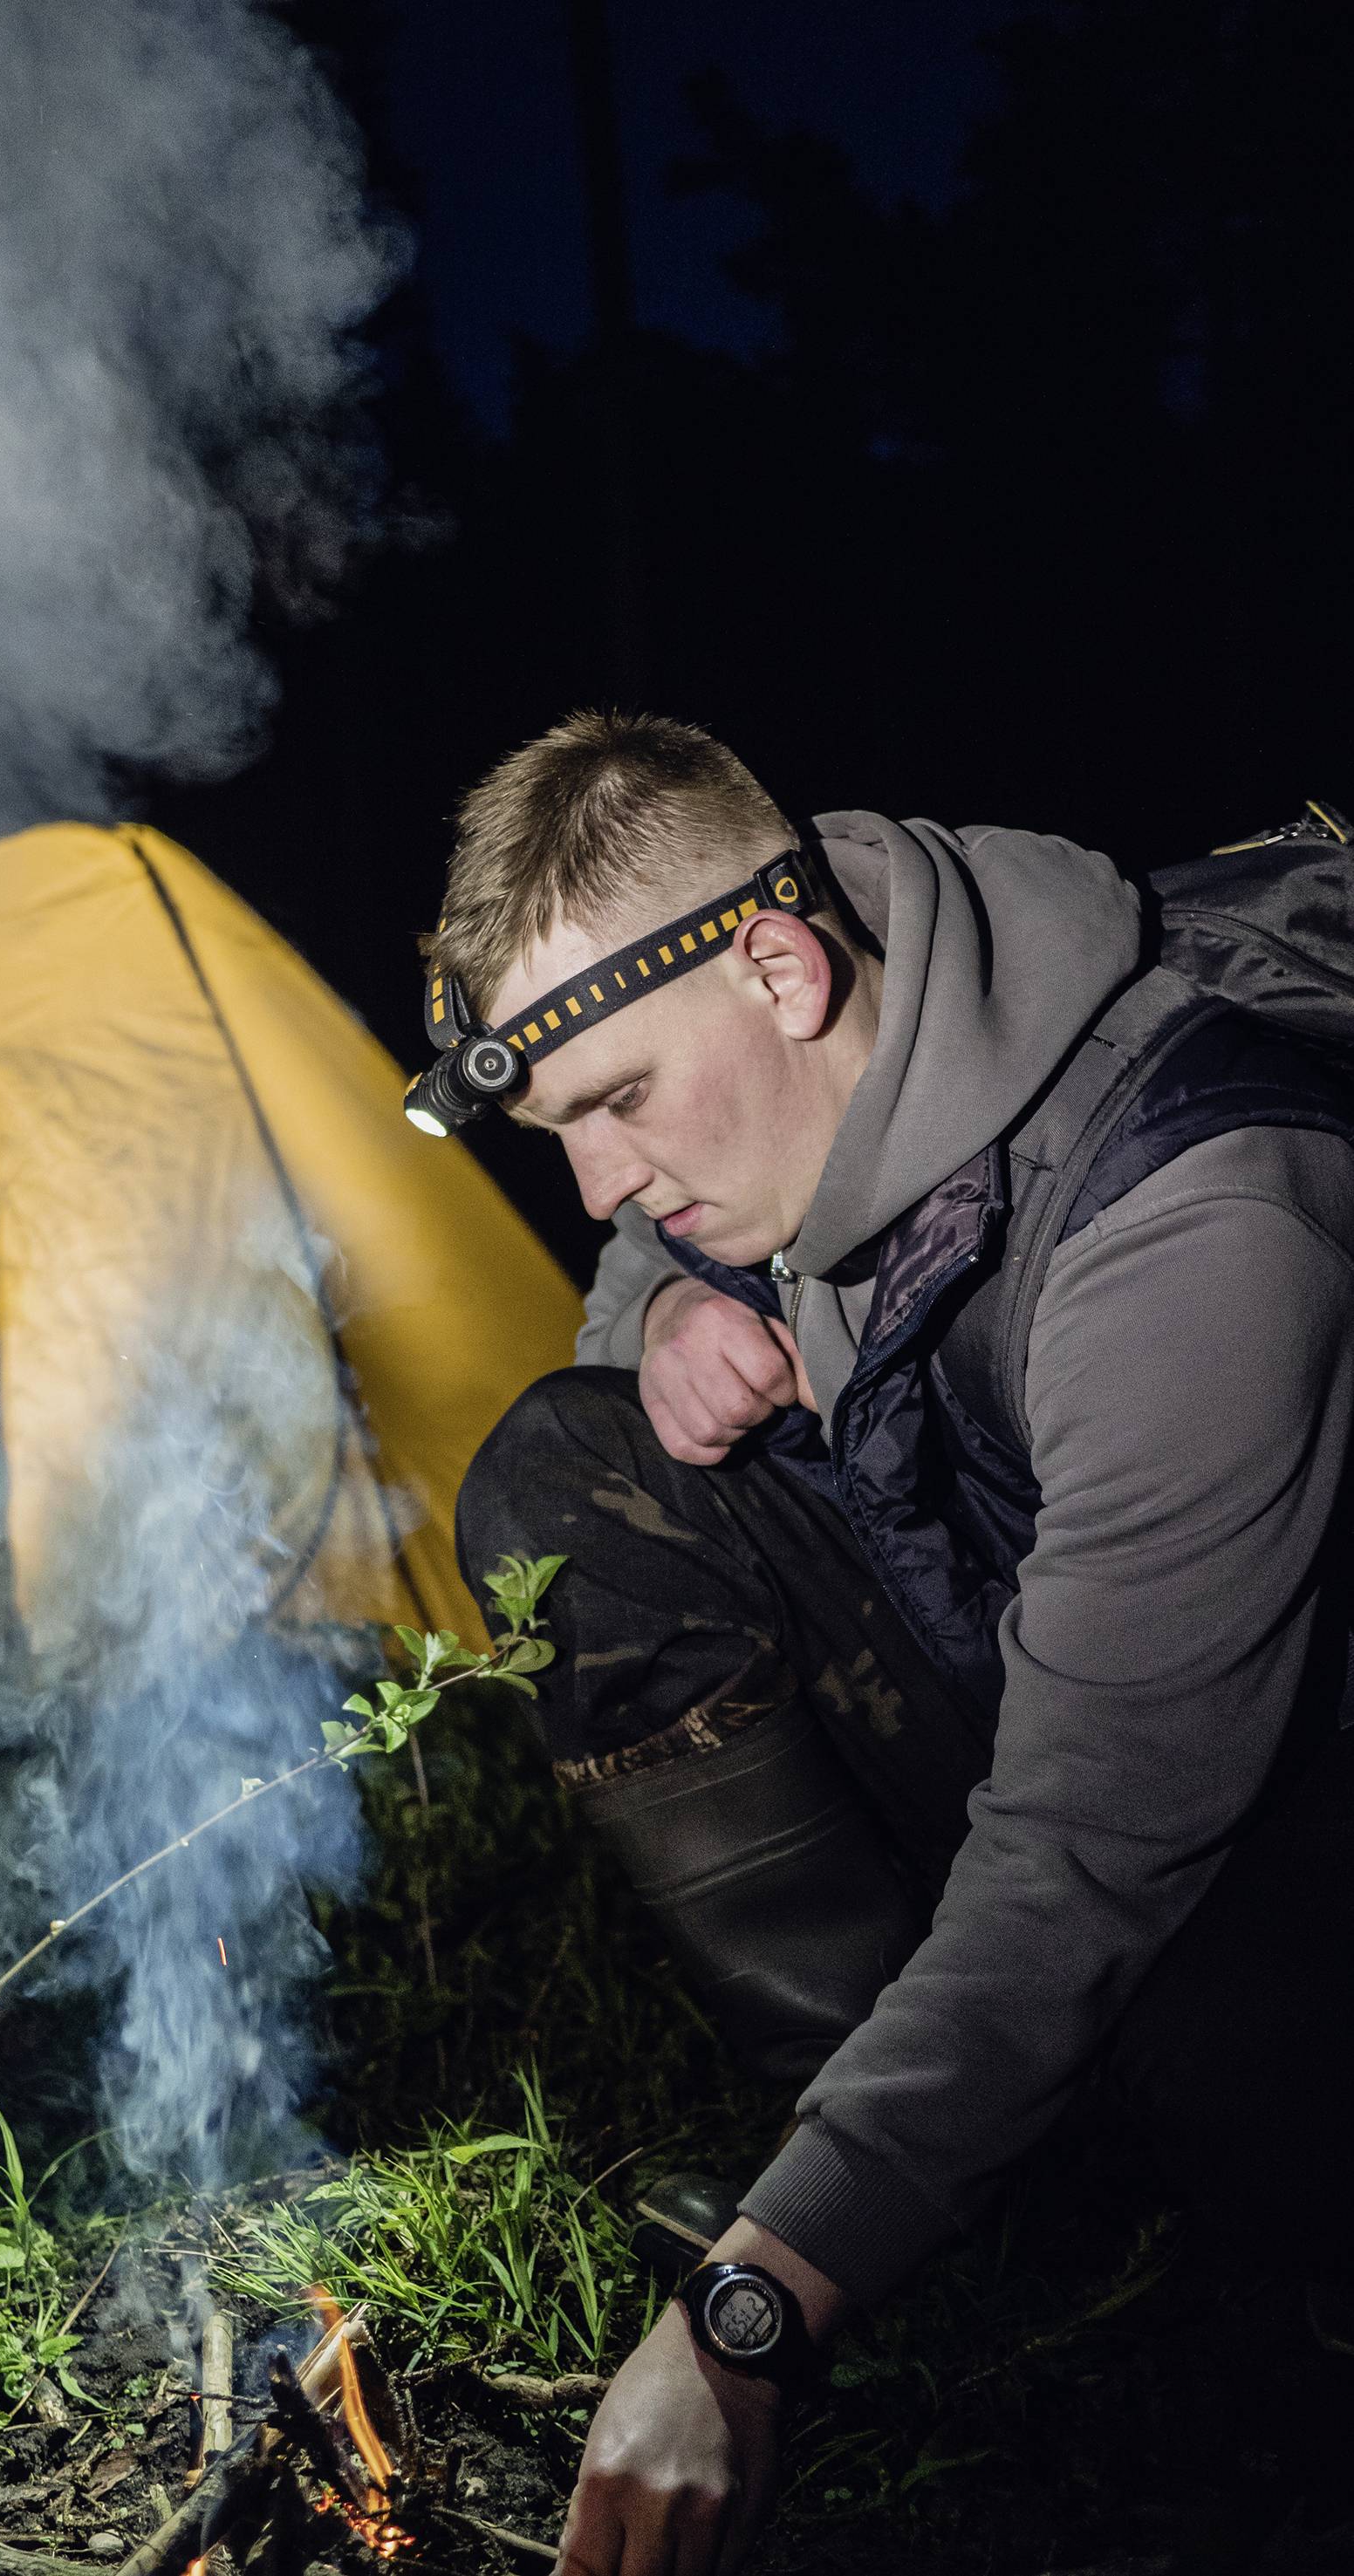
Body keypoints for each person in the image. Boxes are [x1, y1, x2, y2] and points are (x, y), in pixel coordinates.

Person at [434, 711, 1354, 2576]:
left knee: (1238, 2132)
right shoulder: (798, 1075)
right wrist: (661, 1322)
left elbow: (1096, 1844)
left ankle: (932, 2194)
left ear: (783, 967)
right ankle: (914, 2159)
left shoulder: (1193, 1210)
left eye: (619, 1102)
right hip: (1021, 1685)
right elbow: (632, 1281)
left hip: (1257, 1828)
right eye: (561, 1131)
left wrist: (751, 2314)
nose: (598, 1183)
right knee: (565, 1470)